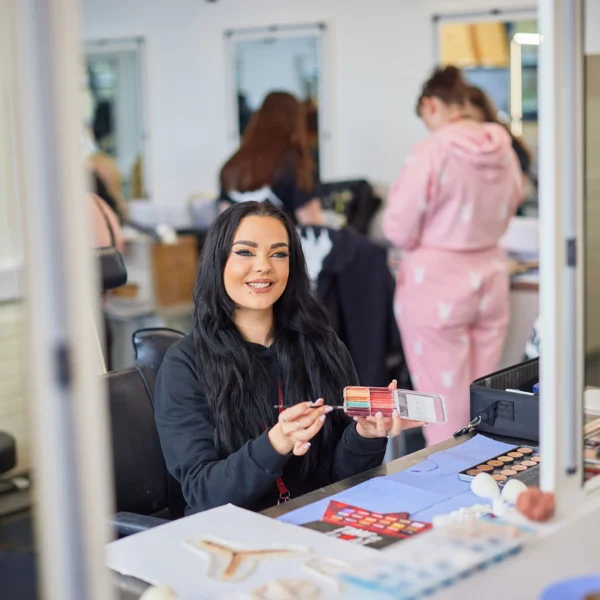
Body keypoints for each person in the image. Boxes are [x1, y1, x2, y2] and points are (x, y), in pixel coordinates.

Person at [154, 201, 422, 514]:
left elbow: (339, 478)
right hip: (233, 532)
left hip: (317, 520)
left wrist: (365, 435)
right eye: (245, 252)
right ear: (218, 261)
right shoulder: (185, 364)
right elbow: (203, 493)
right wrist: (277, 443)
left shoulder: (322, 345)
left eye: (279, 254)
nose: (264, 266)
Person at [382, 66, 523, 446]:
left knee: (441, 403)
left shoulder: (432, 150)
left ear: (431, 105)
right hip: (490, 275)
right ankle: (482, 467)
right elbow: (513, 201)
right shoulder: (502, 148)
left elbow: (397, 228)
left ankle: (450, 475)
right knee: (483, 393)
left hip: (436, 284)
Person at [219, 92, 324, 226]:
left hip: (240, 239)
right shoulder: (295, 165)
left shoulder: (230, 168)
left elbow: (224, 223)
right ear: (296, 121)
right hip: (280, 238)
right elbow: (312, 224)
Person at [465, 85, 536, 190]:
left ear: (481, 110)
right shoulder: (496, 134)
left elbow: (523, 160)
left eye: (466, 116)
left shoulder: (498, 136)